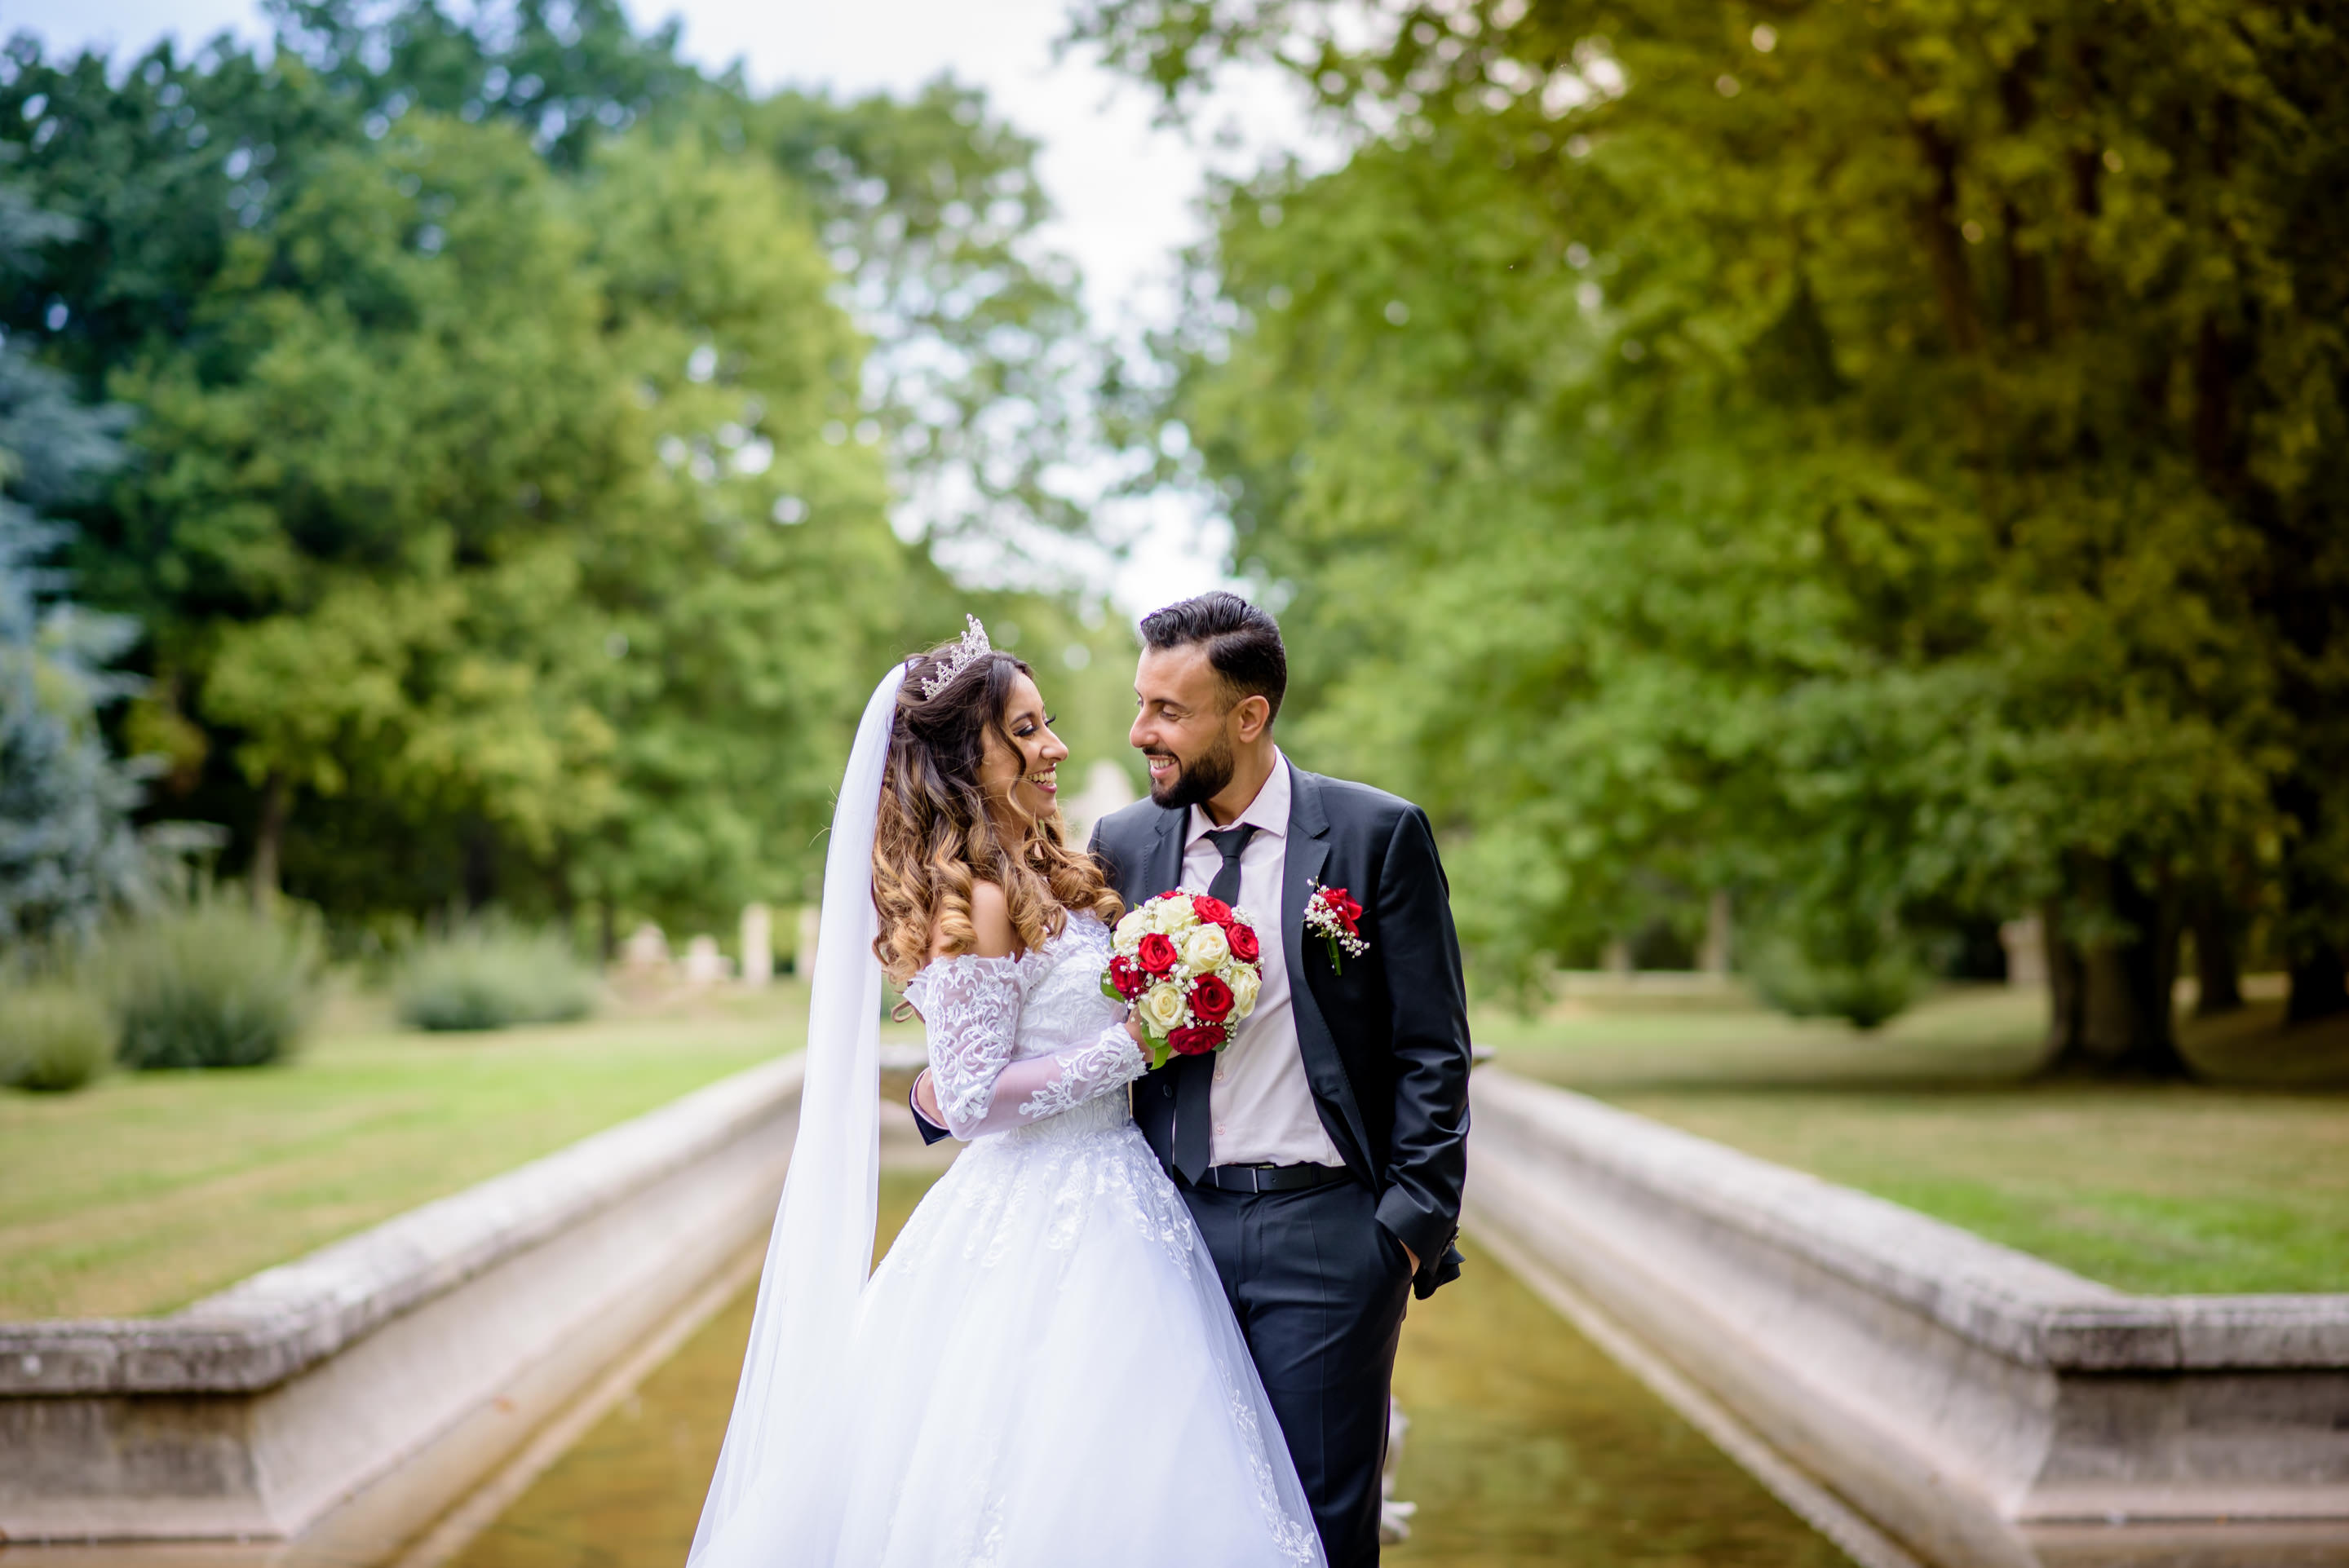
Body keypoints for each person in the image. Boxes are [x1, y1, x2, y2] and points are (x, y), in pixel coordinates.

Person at [688, 617, 1324, 1568]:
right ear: (960, 758)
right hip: (1040, 1217)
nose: (1056, 746)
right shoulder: (974, 898)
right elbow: (974, 1100)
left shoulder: (1050, 870)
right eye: (1025, 731)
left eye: (1047, 723)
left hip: (1126, 1201)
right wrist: (1141, 1042)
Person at [915, 593, 1473, 1568]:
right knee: (1170, 1520)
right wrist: (939, 1099)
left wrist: (1406, 1230)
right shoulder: (1124, 845)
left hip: (1330, 1237)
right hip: (1160, 1235)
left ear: (1248, 716)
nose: (1139, 734)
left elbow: (1434, 1047)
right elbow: (1023, 998)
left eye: (1167, 712)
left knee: (1317, 1530)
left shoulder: (1375, 834)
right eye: (1141, 706)